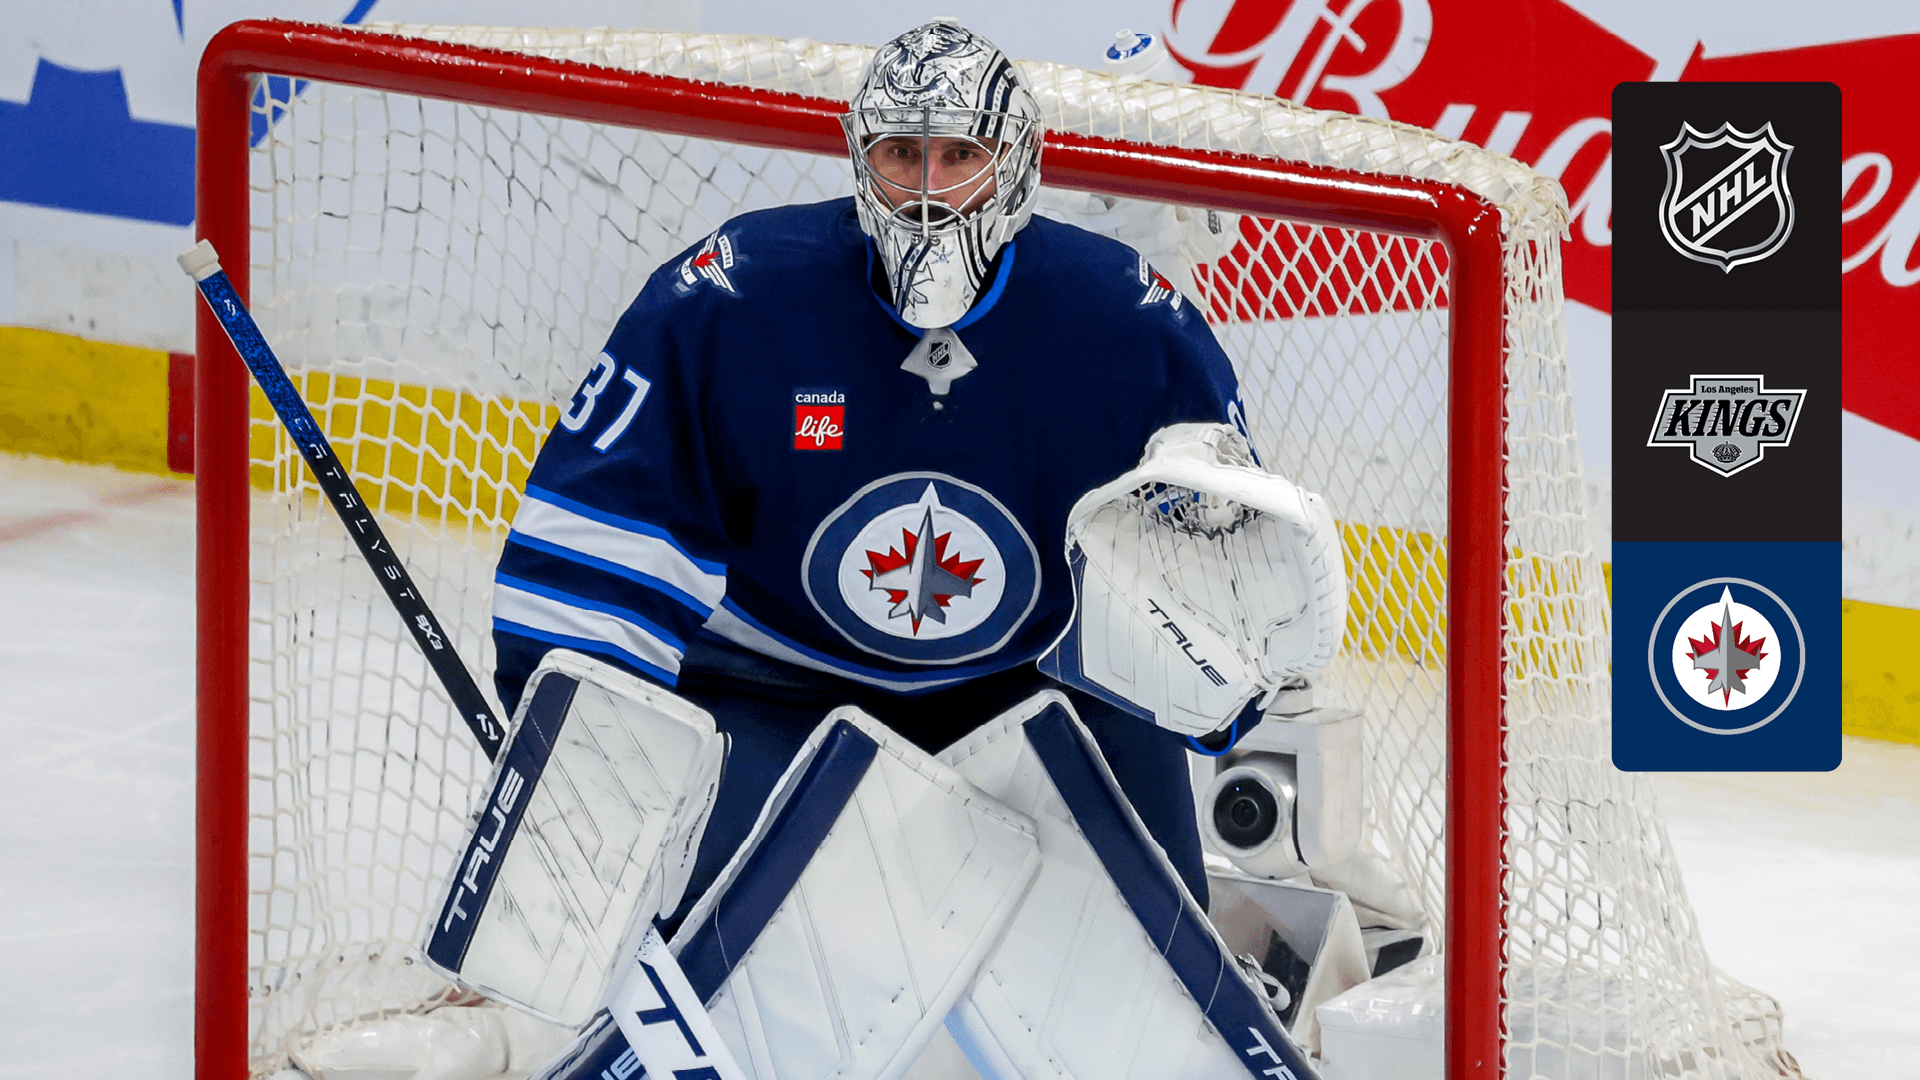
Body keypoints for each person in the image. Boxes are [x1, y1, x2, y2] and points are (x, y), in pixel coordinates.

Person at [489, 18, 1251, 918]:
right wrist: (575, 754)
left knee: (1156, 966)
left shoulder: (1130, 328)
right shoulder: (730, 299)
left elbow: (1221, 597)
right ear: (859, 156)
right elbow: (598, 542)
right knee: (692, 945)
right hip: (771, 686)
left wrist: (1220, 675)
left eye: (960, 155)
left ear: (1016, 163)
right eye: (901, 154)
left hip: (1039, 690)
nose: (928, 194)